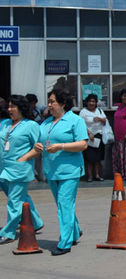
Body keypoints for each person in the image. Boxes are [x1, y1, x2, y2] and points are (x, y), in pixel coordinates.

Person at [32, 89, 88, 255]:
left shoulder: (75, 121)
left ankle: (65, 242)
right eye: (49, 101)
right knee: (63, 205)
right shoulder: (46, 122)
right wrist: (37, 146)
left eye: (52, 101)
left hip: (69, 171)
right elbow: (39, 141)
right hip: (51, 171)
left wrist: (61, 146)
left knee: (64, 204)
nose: (49, 105)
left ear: (63, 103)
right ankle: (75, 231)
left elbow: (83, 144)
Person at [0, 95, 44, 244]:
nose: (10, 109)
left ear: (21, 108)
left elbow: (38, 147)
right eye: (9, 106)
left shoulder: (30, 125)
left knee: (14, 201)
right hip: (4, 168)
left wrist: (24, 158)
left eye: (13, 106)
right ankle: (36, 222)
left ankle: (9, 232)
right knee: (21, 197)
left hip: (20, 169)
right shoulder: (5, 123)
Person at [79, 94, 106, 182]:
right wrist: (89, 133)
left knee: (98, 158)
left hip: (99, 135)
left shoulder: (99, 111)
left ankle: (97, 175)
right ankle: (90, 176)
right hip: (88, 137)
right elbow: (81, 125)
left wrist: (100, 119)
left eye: (93, 101)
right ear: (87, 102)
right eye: (90, 101)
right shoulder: (83, 112)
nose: (91, 103)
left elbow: (105, 121)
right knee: (89, 158)